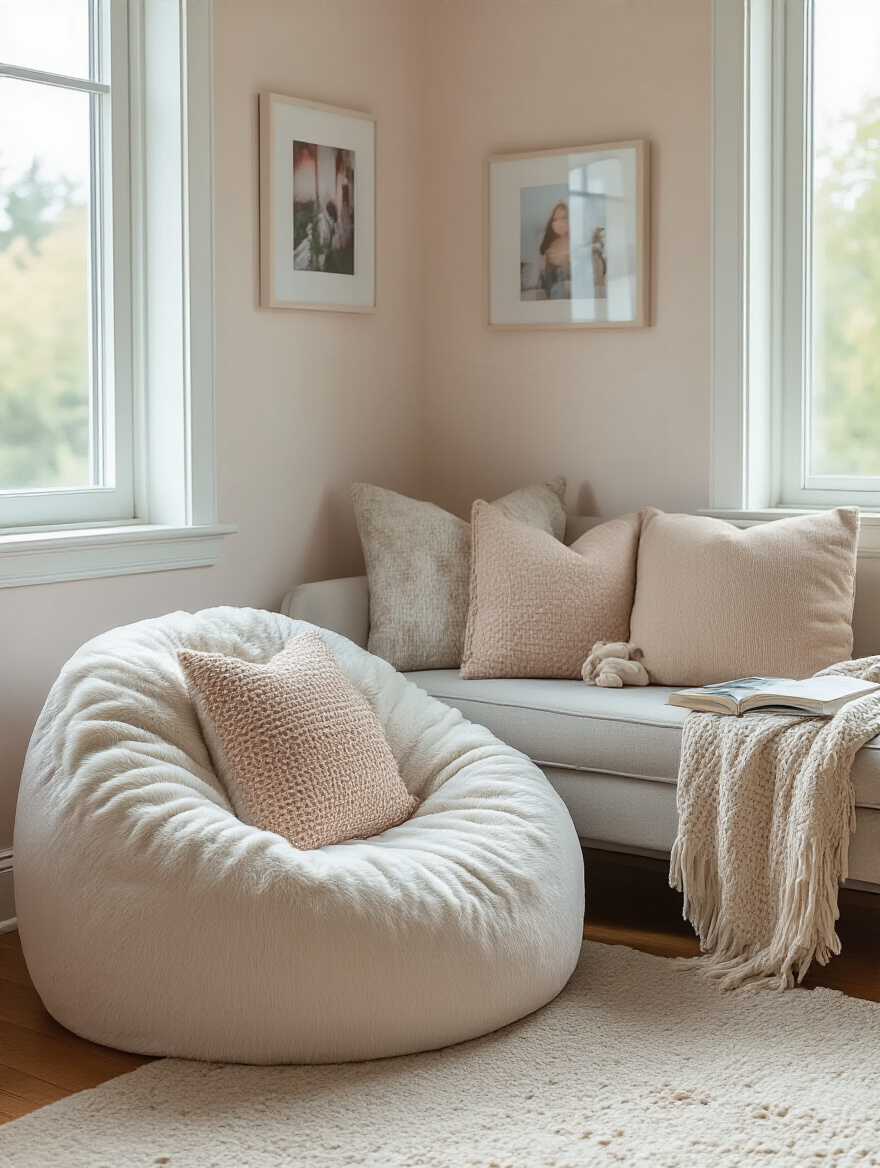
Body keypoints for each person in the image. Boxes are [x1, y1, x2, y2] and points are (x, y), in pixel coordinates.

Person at [539, 201, 572, 299]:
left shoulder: (579, 246)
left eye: (564, 218)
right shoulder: (548, 253)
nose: (560, 223)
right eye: (555, 219)